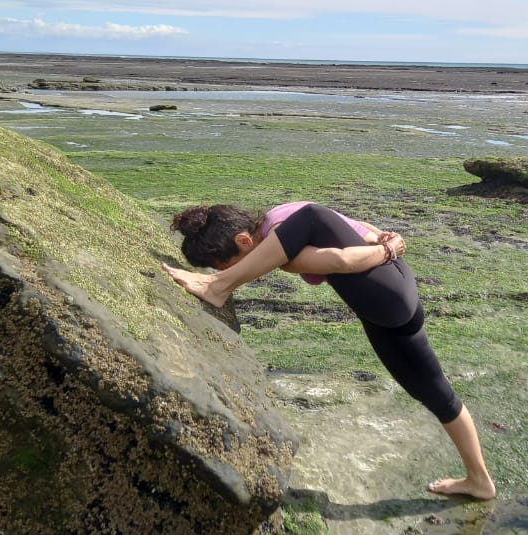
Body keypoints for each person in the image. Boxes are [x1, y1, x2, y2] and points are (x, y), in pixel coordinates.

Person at [161, 201, 496, 500]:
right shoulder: (285, 224)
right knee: (437, 395)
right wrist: (387, 243)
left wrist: (388, 250)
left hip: (388, 296)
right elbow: (365, 231)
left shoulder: (288, 226)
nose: (238, 273)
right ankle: (479, 480)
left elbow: (339, 258)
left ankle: (216, 289)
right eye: (222, 274)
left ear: (244, 242)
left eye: (226, 267)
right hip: (389, 305)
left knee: (310, 216)